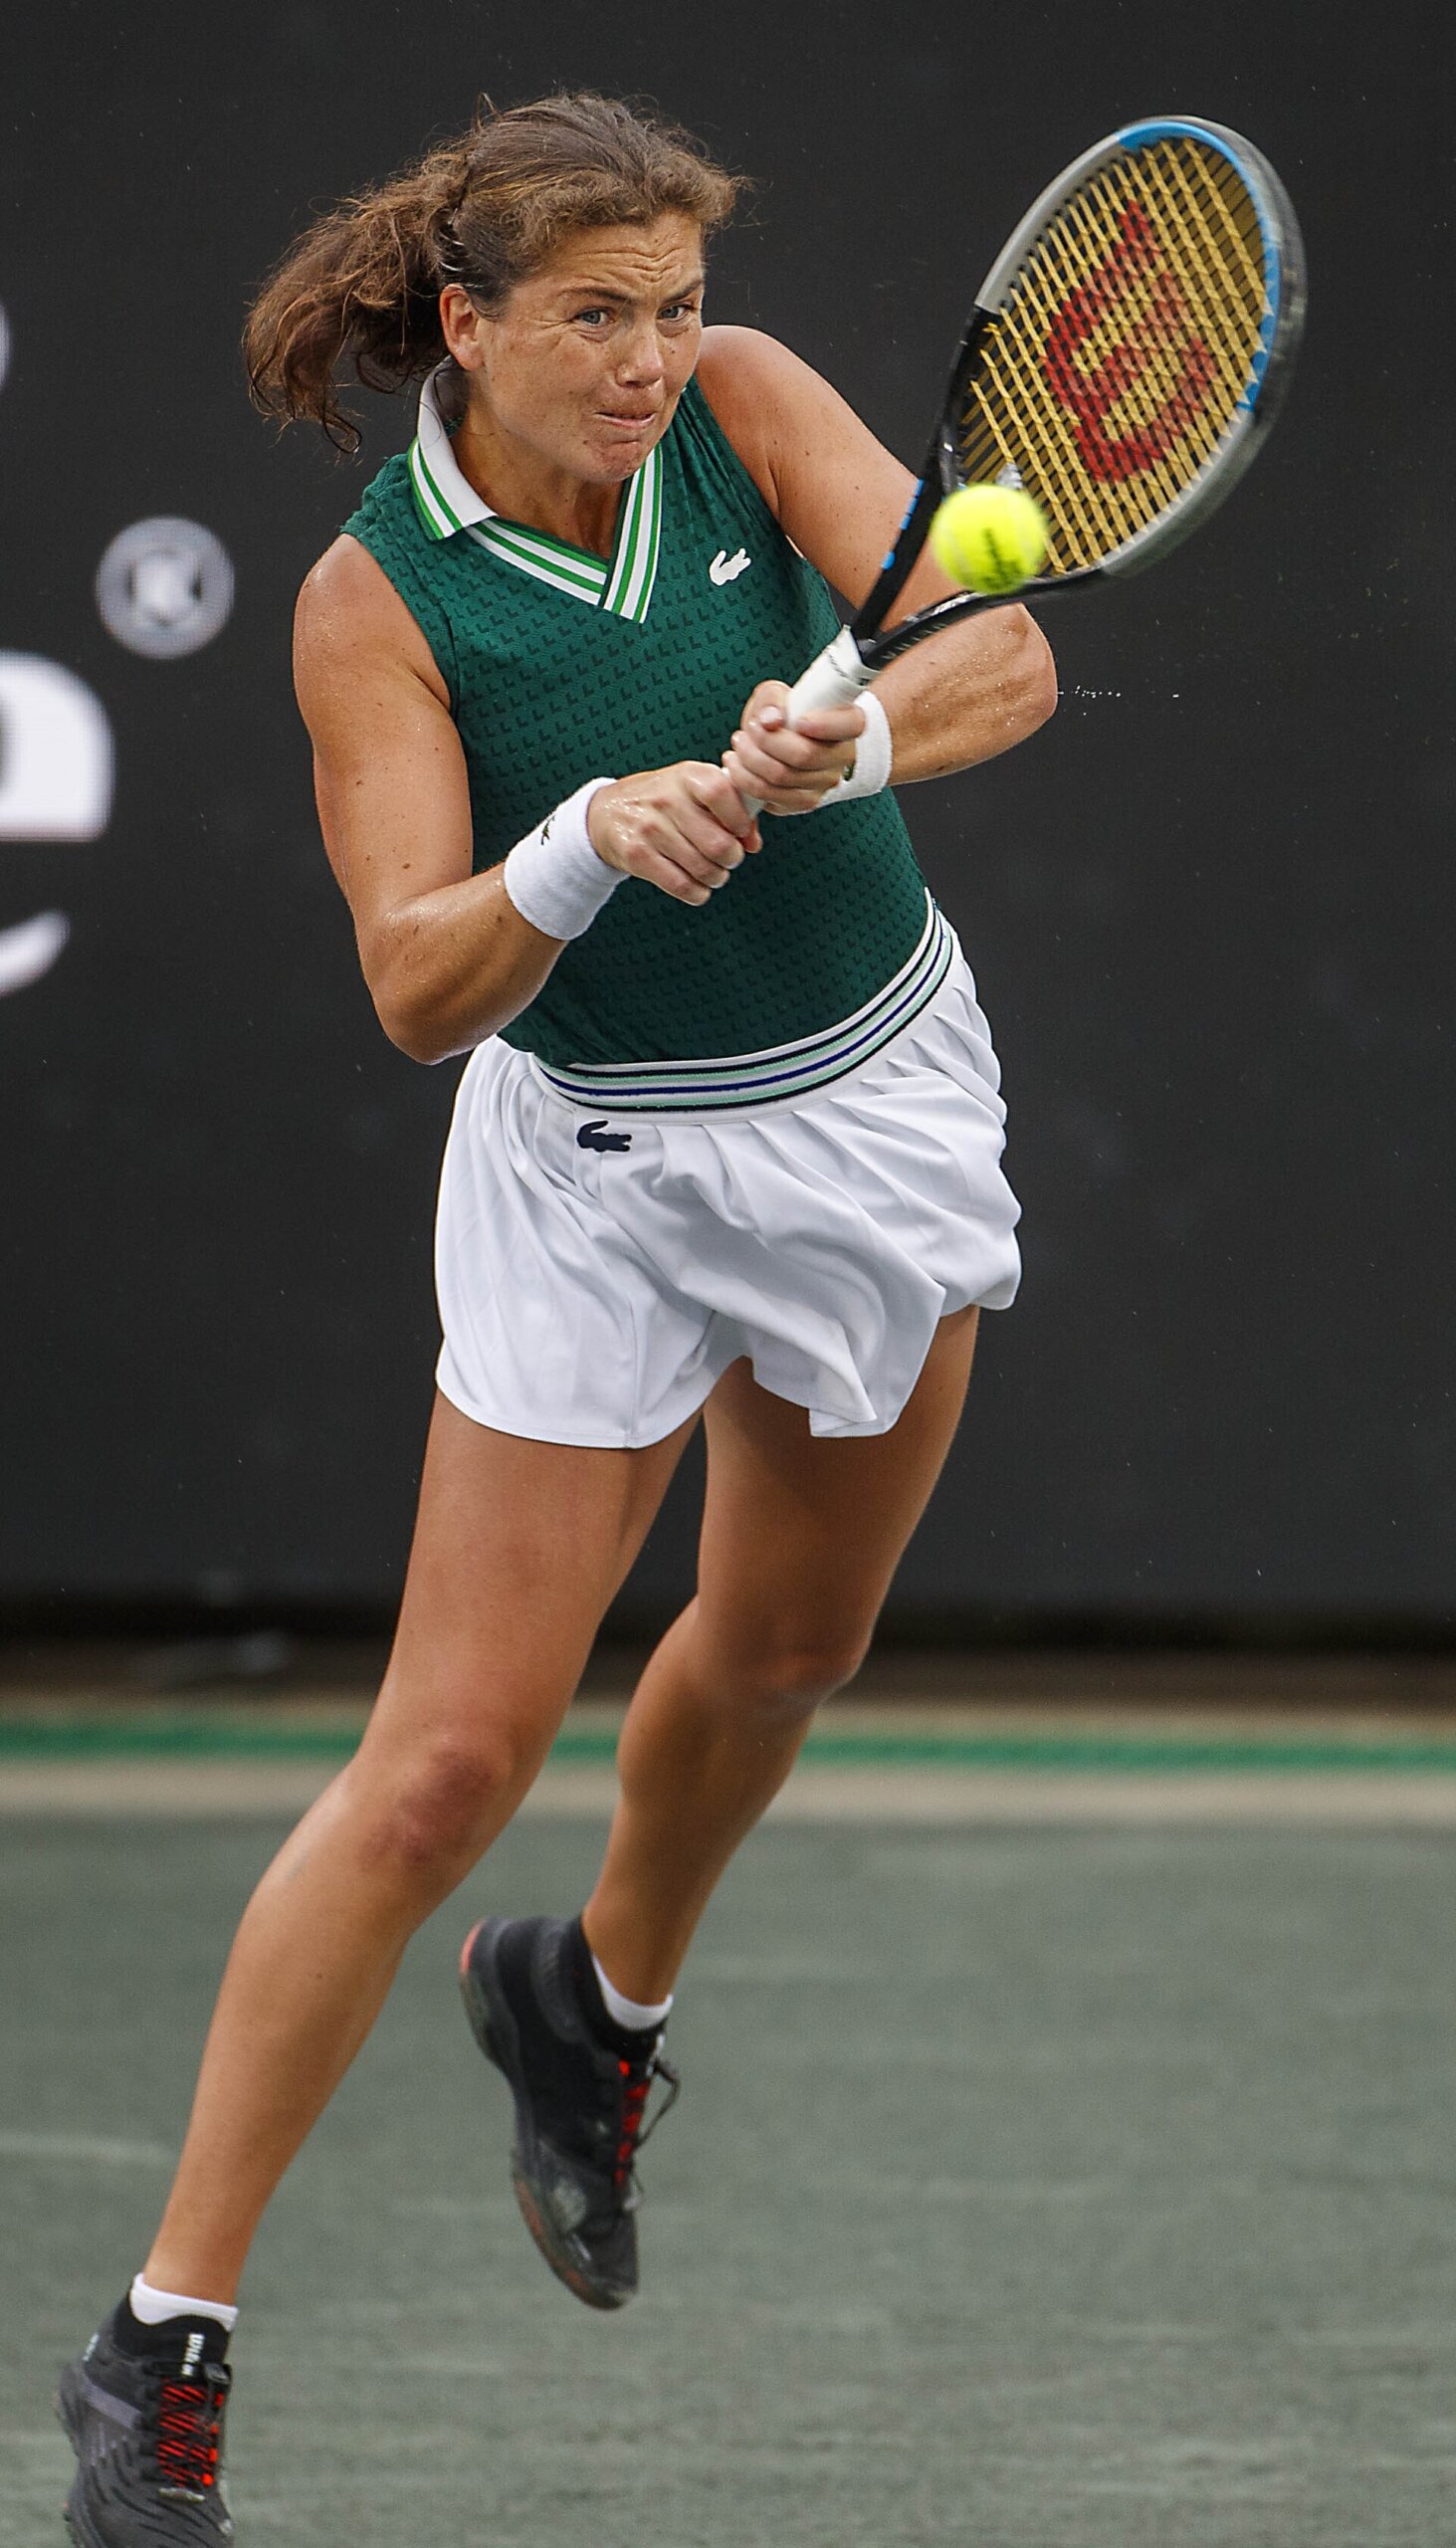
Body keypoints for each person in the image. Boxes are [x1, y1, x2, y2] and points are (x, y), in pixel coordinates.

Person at [57, 93, 1056, 2545]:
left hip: (869, 1109)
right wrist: (587, 839)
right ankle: (162, 2335)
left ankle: (590, 1999)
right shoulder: (372, 601)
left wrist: (837, 747)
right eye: (597, 312)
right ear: (468, 323)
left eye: (675, 303)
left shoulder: (748, 408)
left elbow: (1004, 658)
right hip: (594, 1173)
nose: (650, 354)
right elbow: (418, 985)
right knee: (439, 1766)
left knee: (787, 1648)